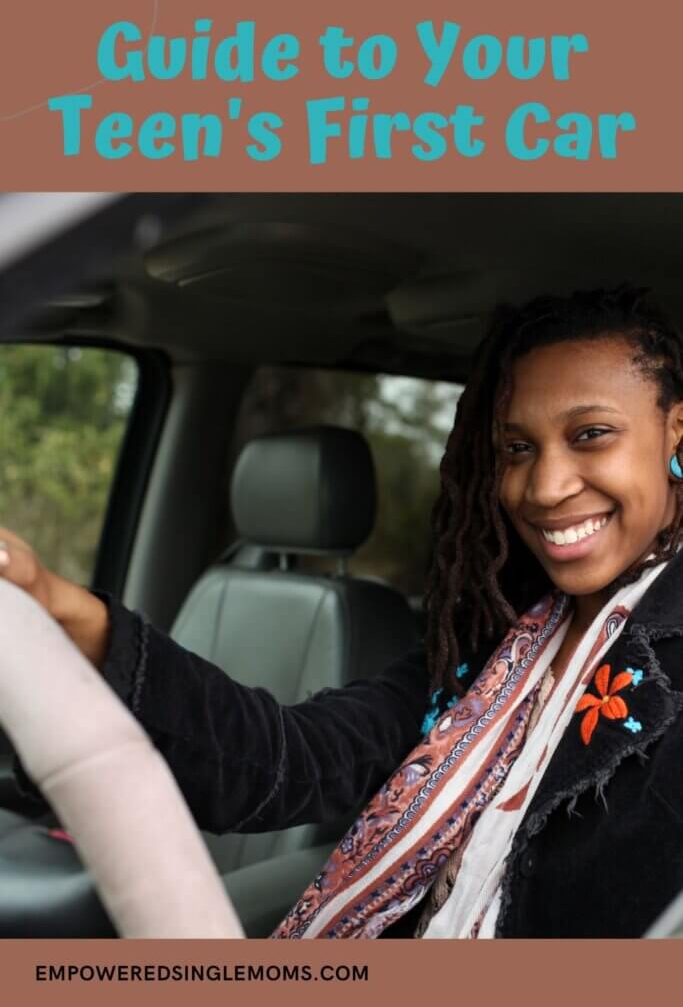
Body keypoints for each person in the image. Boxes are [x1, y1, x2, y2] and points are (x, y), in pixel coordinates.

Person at [2, 285, 682, 938]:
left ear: (674, 430)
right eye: (517, 449)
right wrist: (60, 611)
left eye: (590, 434)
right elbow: (287, 763)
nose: (545, 486)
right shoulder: (492, 650)